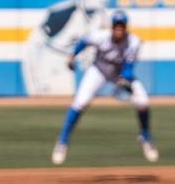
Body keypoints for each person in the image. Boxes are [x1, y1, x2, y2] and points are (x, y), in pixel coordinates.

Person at [51, 9, 158, 165]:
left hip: (119, 74)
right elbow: (83, 42)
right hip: (99, 71)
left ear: (126, 27)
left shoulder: (133, 42)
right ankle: (62, 143)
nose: (119, 28)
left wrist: (124, 80)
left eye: (122, 25)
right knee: (80, 103)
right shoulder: (100, 36)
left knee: (143, 102)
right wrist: (72, 56)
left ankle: (146, 137)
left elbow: (128, 67)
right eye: (116, 25)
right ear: (112, 26)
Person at [23, 0, 115, 97]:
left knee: (69, 102)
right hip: (50, 63)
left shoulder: (101, 16)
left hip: (71, 65)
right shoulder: (64, 12)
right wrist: (33, 83)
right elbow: (33, 45)